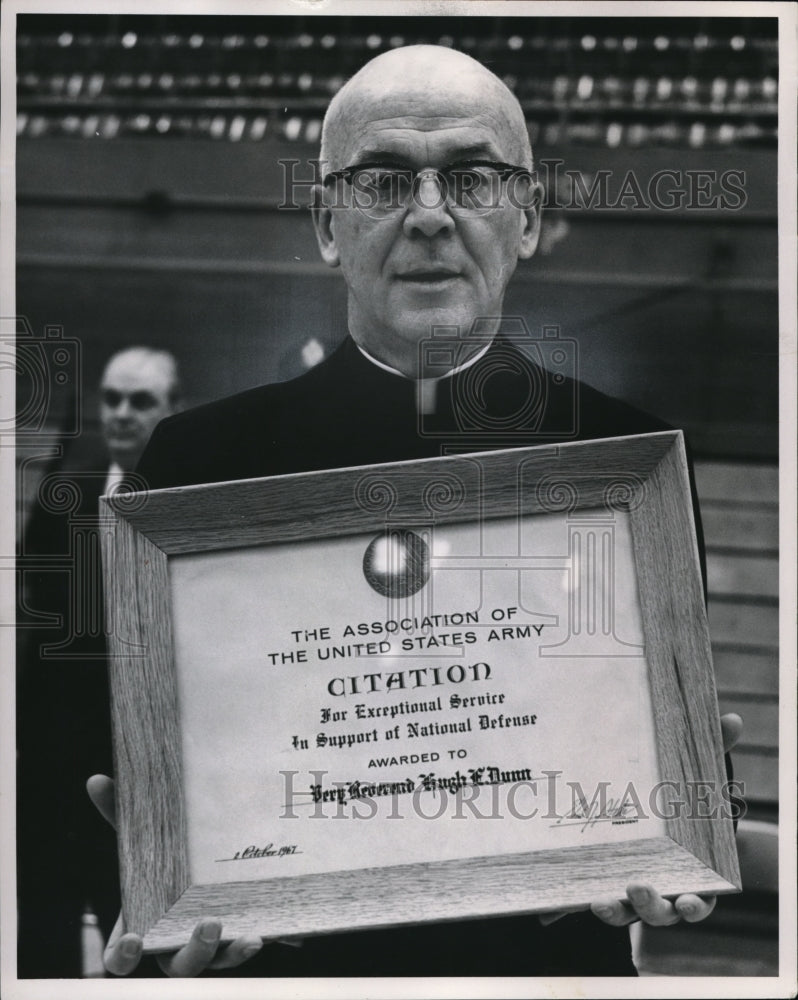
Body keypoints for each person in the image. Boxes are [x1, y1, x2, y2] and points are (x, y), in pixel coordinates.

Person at [88, 46, 742, 978]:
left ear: (528, 218)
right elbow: (152, 775)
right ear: (326, 221)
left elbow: (646, 760)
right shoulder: (194, 469)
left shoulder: (631, 470)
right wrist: (171, 882)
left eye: (473, 179)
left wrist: (662, 831)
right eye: (385, 178)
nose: (430, 216)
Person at [17, 347, 182, 977]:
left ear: (172, 410)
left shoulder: (193, 505)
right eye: (111, 398)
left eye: (141, 402)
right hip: (53, 767)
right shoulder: (67, 496)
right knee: (45, 927)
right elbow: (43, 612)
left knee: (139, 937)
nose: (120, 413)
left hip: (139, 775)